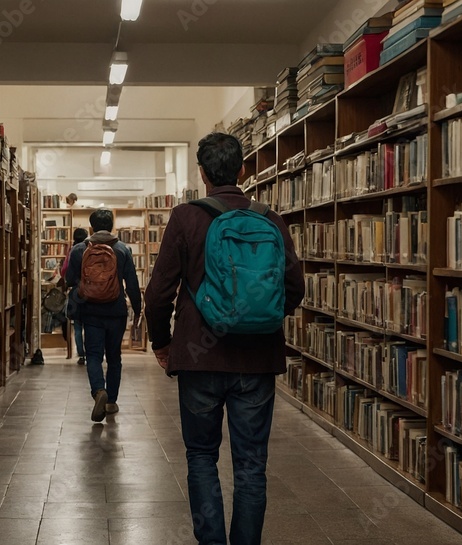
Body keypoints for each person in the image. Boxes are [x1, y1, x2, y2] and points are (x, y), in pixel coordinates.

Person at [144, 132, 304, 545]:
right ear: (243, 169)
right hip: (257, 359)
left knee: (201, 456)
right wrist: (262, 319)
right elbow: (294, 287)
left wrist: (162, 343)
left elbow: (158, 293)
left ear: (202, 173)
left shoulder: (185, 217)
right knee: (251, 464)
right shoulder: (270, 218)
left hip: (199, 357)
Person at [66, 209, 142, 422]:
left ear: (91, 227)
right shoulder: (123, 249)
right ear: (112, 226)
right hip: (116, 311)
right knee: (114, 357)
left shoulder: (79, 250)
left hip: (90, 311)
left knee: (93, 355)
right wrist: (138, 309)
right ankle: (111, 402)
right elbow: (132, 283)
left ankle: (99, 391)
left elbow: (70, 280)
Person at [60, 228, 89, 365]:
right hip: (91, 292)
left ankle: (81, 355)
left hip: (77, 292)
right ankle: (91, 352)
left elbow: (65, 272)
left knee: (77, 326)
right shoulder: (91, 249)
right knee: (89, 326)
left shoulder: (73, 251)